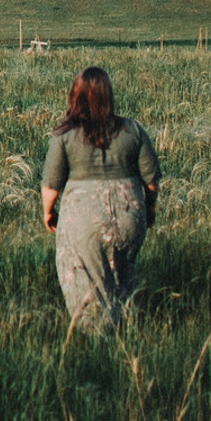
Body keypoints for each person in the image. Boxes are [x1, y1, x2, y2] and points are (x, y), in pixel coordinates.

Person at [41, 65, 161, 331]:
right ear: (109, 95)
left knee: (86, 280)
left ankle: (98, 339)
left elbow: (51, 186)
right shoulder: (133, 130)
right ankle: (131, 329)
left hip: (84, 222)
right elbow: (152, 181)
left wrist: (48, 213)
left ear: (75, 96)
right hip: (130, 216)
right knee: (123, 271)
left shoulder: (64, 136)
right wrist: (148, 212)